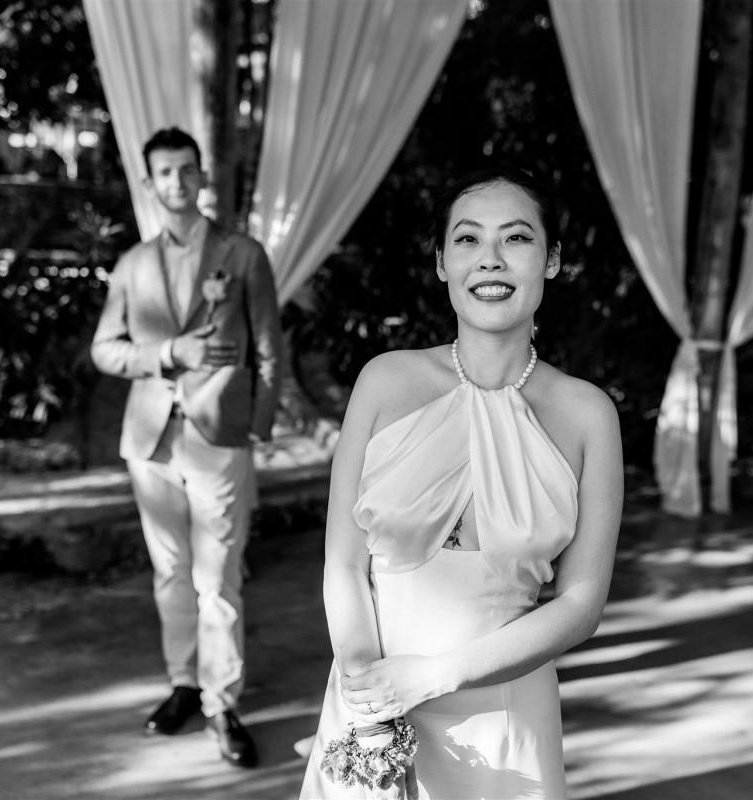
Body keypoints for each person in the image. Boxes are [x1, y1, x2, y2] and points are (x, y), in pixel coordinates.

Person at [299, 166, 623, 798]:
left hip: (504, 716)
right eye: (468, 239)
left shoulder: (588, 414)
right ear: (442, 262)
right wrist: (371, 705)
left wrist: (433, 676)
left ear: (552, 259)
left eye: (517, 238)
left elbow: (581, 605)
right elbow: (343, 563)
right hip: (370, 701)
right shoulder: (385, 382)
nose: (490, 259)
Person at [90, 126, 281, 768]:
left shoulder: (242, 253)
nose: (177, 181)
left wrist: (257, 425)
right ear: (150, 184)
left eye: (187, 169)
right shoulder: (131, 265)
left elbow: (269, 347)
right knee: (169, 572)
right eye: (165, 172)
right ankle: (183, 684)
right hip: (149, 442)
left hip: (219, 436)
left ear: (202, 176)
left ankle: (221, 703)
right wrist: (169, 351)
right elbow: (105, 349)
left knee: (217, 578)